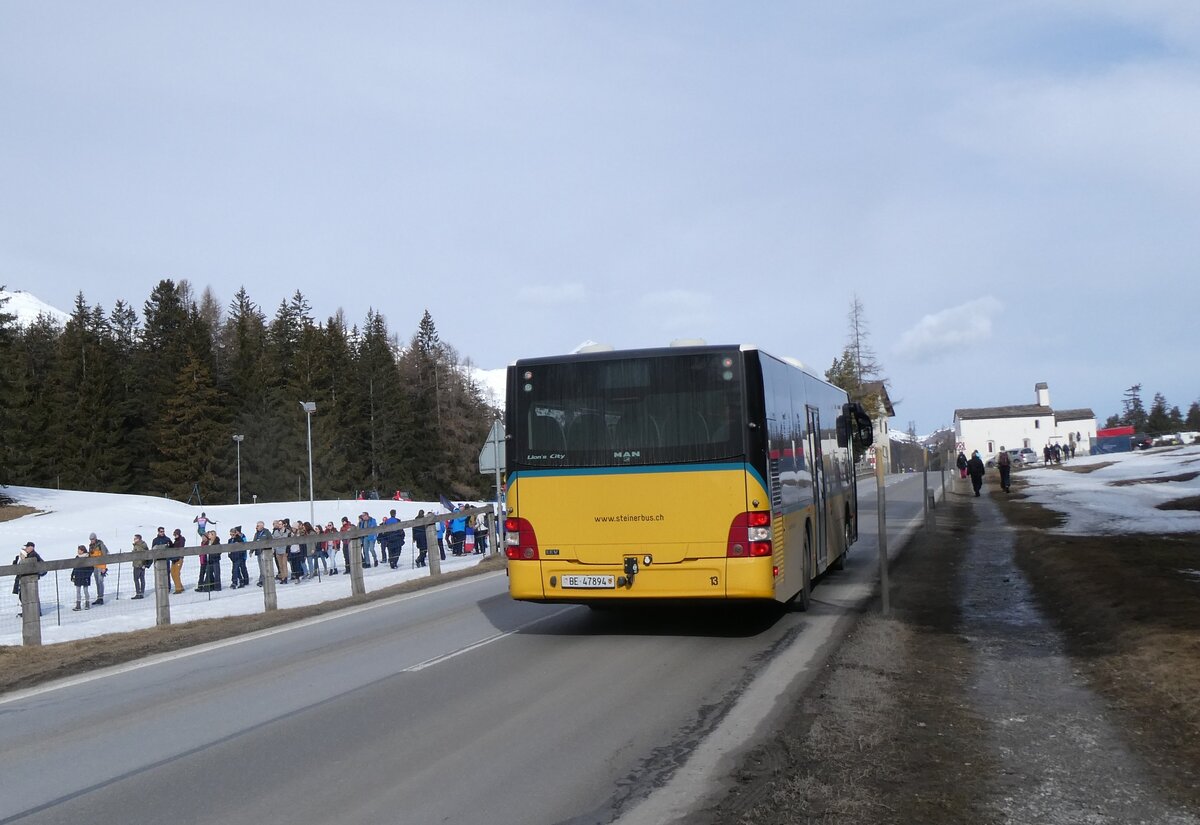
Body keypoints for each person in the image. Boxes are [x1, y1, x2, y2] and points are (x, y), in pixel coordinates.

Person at [12, 541, 45, 617]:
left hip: (30, 579)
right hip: (25, 579)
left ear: (31, 547)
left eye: (27, 547)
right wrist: (17, 560)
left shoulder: (33, 556)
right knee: (25, 595)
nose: (26, 548)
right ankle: (29, 611)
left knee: (30, 595)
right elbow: (18, 568)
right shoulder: (28, 555)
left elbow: (29, 567)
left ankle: (34, 612)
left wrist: (24, 559)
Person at [71, 545, 94, 611]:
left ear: (83, 550)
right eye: (78, 550)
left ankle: (87, 603)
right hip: (78, 576)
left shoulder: (87, 557)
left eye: (79, 550)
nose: (78, 551)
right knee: (78, 591)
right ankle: (78, 605)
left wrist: (87, 575)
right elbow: (74, 567)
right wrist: (73, 575)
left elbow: (91, 568)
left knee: (85, 590)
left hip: (85, 576)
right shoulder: (77, 557)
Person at [88, 533, 108, 605]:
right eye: (90, 539)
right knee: (97, 582)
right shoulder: (91, 546)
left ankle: (101, 598)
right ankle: (98, 597)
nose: (92, 540)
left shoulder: (100, 545)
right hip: (95, 567)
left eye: (93, 539)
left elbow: (105, 555)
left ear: (95, 538)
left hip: (101, 566)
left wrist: (104, 567)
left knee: (100, 581)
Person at [252, 521, 272, 587]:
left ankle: (264, 580)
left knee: (265, 567)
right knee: (261, 567)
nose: (256, 527)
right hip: (258, 552)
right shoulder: (256, 534)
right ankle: (262, 580)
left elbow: (271, 541)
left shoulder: (267, 532)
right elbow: (254, 542)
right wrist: (251, 551)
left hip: (266, 552)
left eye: (257, 526)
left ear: (262, 526)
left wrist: (271, 549)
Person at [131, 532, 150, 599]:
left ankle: (138, 593)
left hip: (138, 564)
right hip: (143, 564)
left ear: (138, 539)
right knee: (142, 578)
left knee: (136, 579)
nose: (134, 540)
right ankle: (141, 592)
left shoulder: (138, 546)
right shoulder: (144, 545)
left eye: (135, 538)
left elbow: (138, 554)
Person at [169, 529, 186, 594]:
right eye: (174, 534)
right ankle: (180, 586)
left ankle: (178, 588)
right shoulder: (176, 541)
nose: (175, 535)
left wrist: (177, 540)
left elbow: (180, 546)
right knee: (173, 573)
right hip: (174, 559)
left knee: (176, 573)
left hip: (179, 558)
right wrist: (170, 544)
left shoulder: (181, 539)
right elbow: (174, 547)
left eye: (176, 534)